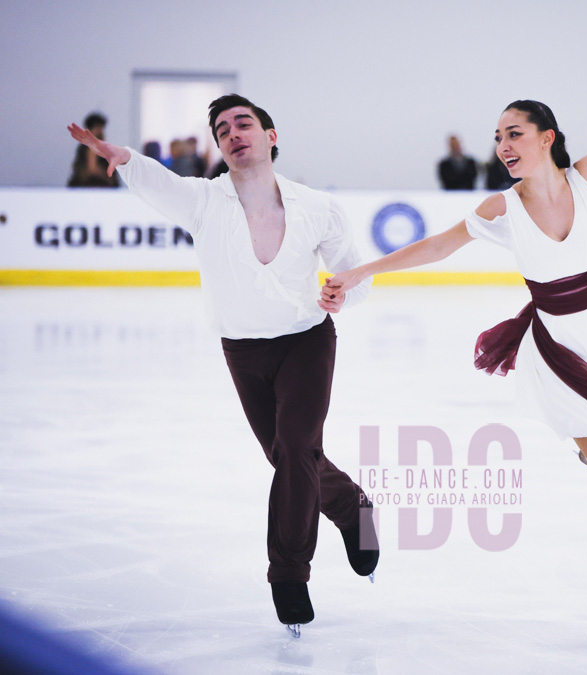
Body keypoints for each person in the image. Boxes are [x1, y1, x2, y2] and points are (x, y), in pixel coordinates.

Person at [323, 40, 587, 649]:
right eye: (498, 138)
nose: (503, 146)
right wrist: (361, 272)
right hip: (560, 350)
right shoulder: (502, 208)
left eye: (514, 133)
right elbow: (439, 246)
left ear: (547, 137)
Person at [67, 94, 379, 637]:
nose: (233, 133)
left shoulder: (318, 206)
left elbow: (355, 275)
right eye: (222, 129)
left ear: (270, 136)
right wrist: (122, 158)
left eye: (243, 123)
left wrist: (341, 293)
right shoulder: (203, 201)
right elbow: (158, 182)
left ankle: (289, 575)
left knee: (296, 450)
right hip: (243, 348)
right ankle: (355, 508)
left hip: (306, 341)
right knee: (289, 456)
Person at [67, 112, 120, 188]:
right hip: (85, 188)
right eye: (98, 128)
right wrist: (107, 179)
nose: (101, 132)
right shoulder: (87, 149)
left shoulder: (105, 149)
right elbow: (92, 170)